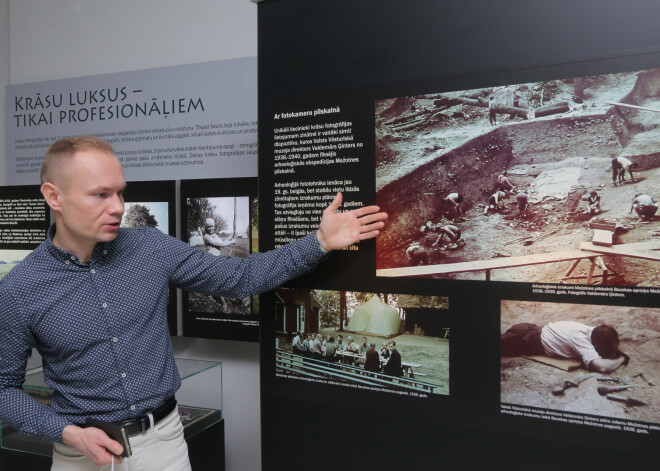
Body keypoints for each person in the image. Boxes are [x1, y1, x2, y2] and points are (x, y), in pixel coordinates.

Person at [0, 136, 387, 470]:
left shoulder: (148, 247)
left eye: (120, 192)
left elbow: (240, 279)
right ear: (54, 196)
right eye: (100, 194)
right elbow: (3, 389)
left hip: (164, 447)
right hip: (81, 456)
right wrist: (65, 432)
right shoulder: (20, 289)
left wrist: (318, 242)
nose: (117, 206)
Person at [500, 321, 627, 373]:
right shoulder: (580, 340)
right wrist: (621, 359)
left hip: (528, 329)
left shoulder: (592, 331)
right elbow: (603, 367)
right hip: (524, 340)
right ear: (597, 346)